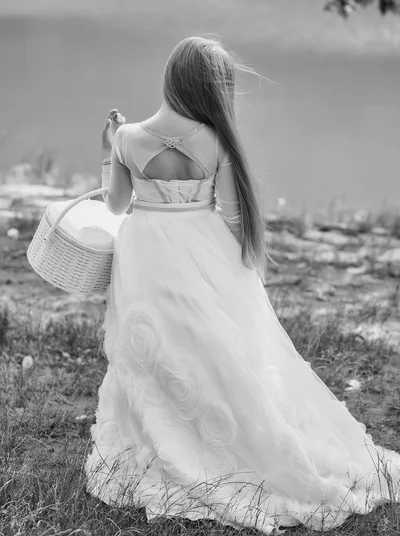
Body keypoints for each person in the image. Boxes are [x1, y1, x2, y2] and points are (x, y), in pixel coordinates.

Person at [84, 36, 400, 534]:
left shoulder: (128, 138)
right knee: (217, 343)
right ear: (212, 89)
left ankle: (163, 435)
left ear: (171, 79)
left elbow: (117, 207)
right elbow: (232, 216)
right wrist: (236, 269)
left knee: (152, 345)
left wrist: (107, 152)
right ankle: (232, 433)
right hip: (206, 248)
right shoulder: (217, 141)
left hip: (145, 255)